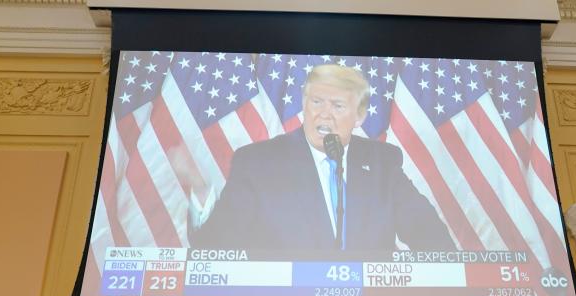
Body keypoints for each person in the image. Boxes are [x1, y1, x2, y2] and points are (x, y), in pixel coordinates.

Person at [189, 63, 455, 256]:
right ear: (304, 105)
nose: (324, 114)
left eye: (337, 106)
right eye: (316, 102)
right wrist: (201, 194)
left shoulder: (381, 163)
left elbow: (432, 238)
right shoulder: (259, 162)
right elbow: (216, 246)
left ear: (359, 116)